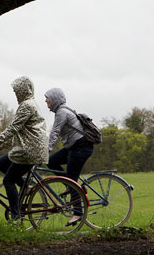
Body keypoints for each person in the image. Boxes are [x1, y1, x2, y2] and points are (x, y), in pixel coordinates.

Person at [0, 76, 48, 220]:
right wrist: (1, 144)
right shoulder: (29, 104)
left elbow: (13, 128)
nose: (15, 95)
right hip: (29, 147)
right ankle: (25, 187)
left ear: (22, 91)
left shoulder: (27, 105)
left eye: (16, 92)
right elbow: (19, 131)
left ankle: (16, 216)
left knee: (8, 180)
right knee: (1, 163)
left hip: (30, 150)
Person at [44, 87, 94, 226]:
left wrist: (46, 150)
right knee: (51, 161)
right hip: (73, 147)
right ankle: (72, 186)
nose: (45, 100)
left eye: (48, 98)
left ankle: (78, 213)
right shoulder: (62, 111)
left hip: (80, 147)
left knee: (72, 180)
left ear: (54, 99)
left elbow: (54, 133)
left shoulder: (62, 112)